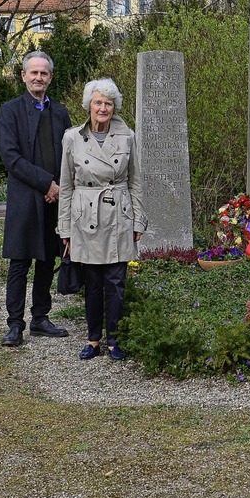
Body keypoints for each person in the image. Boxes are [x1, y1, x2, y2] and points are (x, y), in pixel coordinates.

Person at [58, 78, 148, 361]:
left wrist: (138, 220)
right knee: (93, 283)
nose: (103, 108)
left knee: (116, 283)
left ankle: (115, 340)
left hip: (118, 216)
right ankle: (93, 339)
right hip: (86, 218)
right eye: (98, 102)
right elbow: (66, 186)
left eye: (108, 103)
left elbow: (136, 182)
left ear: (114, 107)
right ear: (89, 105)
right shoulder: (72, 137)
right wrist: (65, 228)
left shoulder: (128, 137)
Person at [0, 51, 72, 347]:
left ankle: (40, 318)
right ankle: (15, 324)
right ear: (23, 76)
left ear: (50, 78)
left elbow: (69, 155)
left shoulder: (61, 112)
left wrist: (60, 188)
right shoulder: (10, 110)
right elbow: (11, 158)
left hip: (54, 200)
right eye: (34, 73)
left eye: (44, 73)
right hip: (25, 199)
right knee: (20, 262)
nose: (38, 77)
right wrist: (47, 184)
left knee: (46, 259)